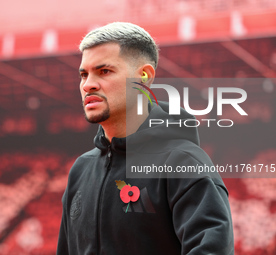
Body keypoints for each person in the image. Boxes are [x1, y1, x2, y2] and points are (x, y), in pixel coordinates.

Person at [57, 22, 234, 255]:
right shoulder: (80, 170)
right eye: (83, 74)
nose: (88, 84)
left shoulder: (184, 163)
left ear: (143, 76)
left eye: (104, 71)